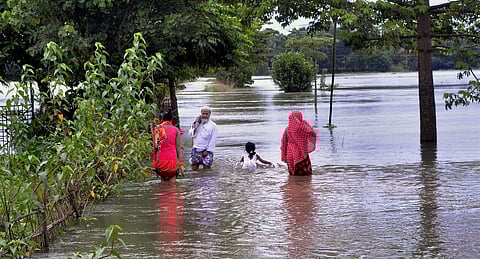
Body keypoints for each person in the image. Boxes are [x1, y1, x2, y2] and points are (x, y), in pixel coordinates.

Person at [280, 111, 317, 176]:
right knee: (306, 176)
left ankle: (293, 185)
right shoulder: (302, 127)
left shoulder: (287, 129)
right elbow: (312, 133)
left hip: (290, 155)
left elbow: (284, 143)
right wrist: (305, 123)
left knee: (293, 175)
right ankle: (302, 186)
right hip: (301, 154)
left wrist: (284, 156)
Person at [152, 110, 184, 181]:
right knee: (173, 186)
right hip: (172, 163)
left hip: (160, 163)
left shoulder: (157, 129)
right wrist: (180, 163)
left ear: (162, 119)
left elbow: (155, 147)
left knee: (162, 186)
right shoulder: (176, 130)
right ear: (171, 119)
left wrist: (154, 164)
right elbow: (178, 147)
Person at [188, 106, 218, 170]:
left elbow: (213, 140)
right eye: (203, 114)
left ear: (209, 114)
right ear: (201, 113)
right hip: (196, 150)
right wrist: (195, 127)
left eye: (206, 114)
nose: (204, 115)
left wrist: (207, 151)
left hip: (206, 151)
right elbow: (190, 134)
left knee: (207, 171)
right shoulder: (196, 123)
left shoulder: (213, 126)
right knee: (194, 171)